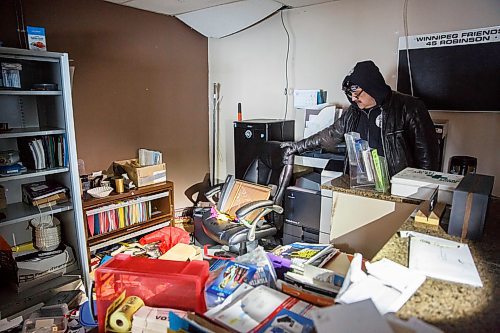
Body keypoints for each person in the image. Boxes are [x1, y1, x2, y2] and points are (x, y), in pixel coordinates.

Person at [281, 60, 439, 176]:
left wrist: (422, 195)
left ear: (373, 87)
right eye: (350, 95)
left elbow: (427, 156)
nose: (354, 99)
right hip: (360, 184)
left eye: (358, 94)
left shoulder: (409, 107)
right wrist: (296, 147)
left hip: (397, 187)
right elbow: (330, 135)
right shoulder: (354, 112)